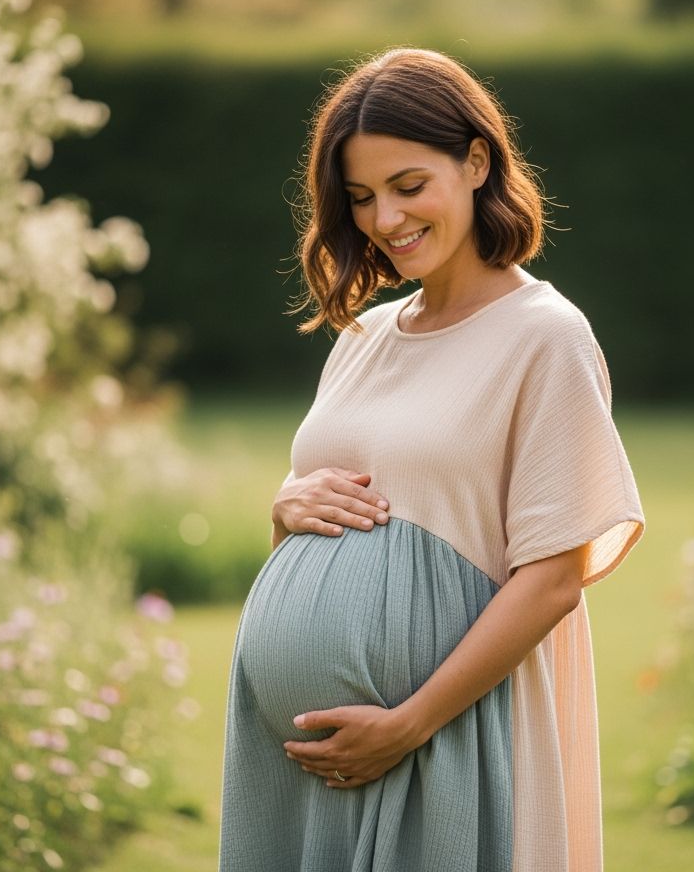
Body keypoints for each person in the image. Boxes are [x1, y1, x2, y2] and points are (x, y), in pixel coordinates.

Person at [219, 47, 645, 872]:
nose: (385, 219)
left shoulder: (545, 337)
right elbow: (322, 535)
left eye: (408, 186)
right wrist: (286, 510)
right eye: (361, 197)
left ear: (477, 162)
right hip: (302, 764)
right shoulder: (365, 336)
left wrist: (407, 724)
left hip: (442, 738)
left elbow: (553, 579)